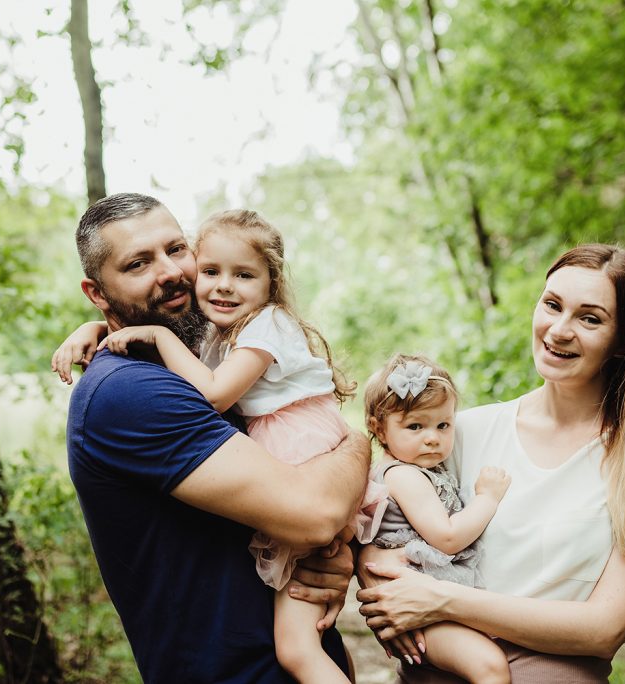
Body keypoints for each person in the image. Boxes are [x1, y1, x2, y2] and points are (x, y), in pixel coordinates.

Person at [60, 209, 388, 683]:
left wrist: (332, 553)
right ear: (97, 293)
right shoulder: (130, 392)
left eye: (177, 249)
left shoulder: (195, 358)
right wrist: (355, 447)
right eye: (138, 263)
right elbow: (316, 513)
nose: (171, 272)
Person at [356, 244, 625, 682]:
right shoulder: (458, 434)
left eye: (590, 318)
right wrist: (370, 576)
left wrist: (441, 600)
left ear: (624, 341)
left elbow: (605, 630)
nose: (559, 330)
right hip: (442, 668)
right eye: (552, 305)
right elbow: (383, 523)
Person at [363, 353, 511, 683]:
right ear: (379, 429)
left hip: (430, 599)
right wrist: (487, 498)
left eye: (443, 425)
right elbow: (447, 538)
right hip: (417, 604)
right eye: (415, 426)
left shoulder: (419, 468)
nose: (432, 437)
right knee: (491, 667)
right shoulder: (403, 475)